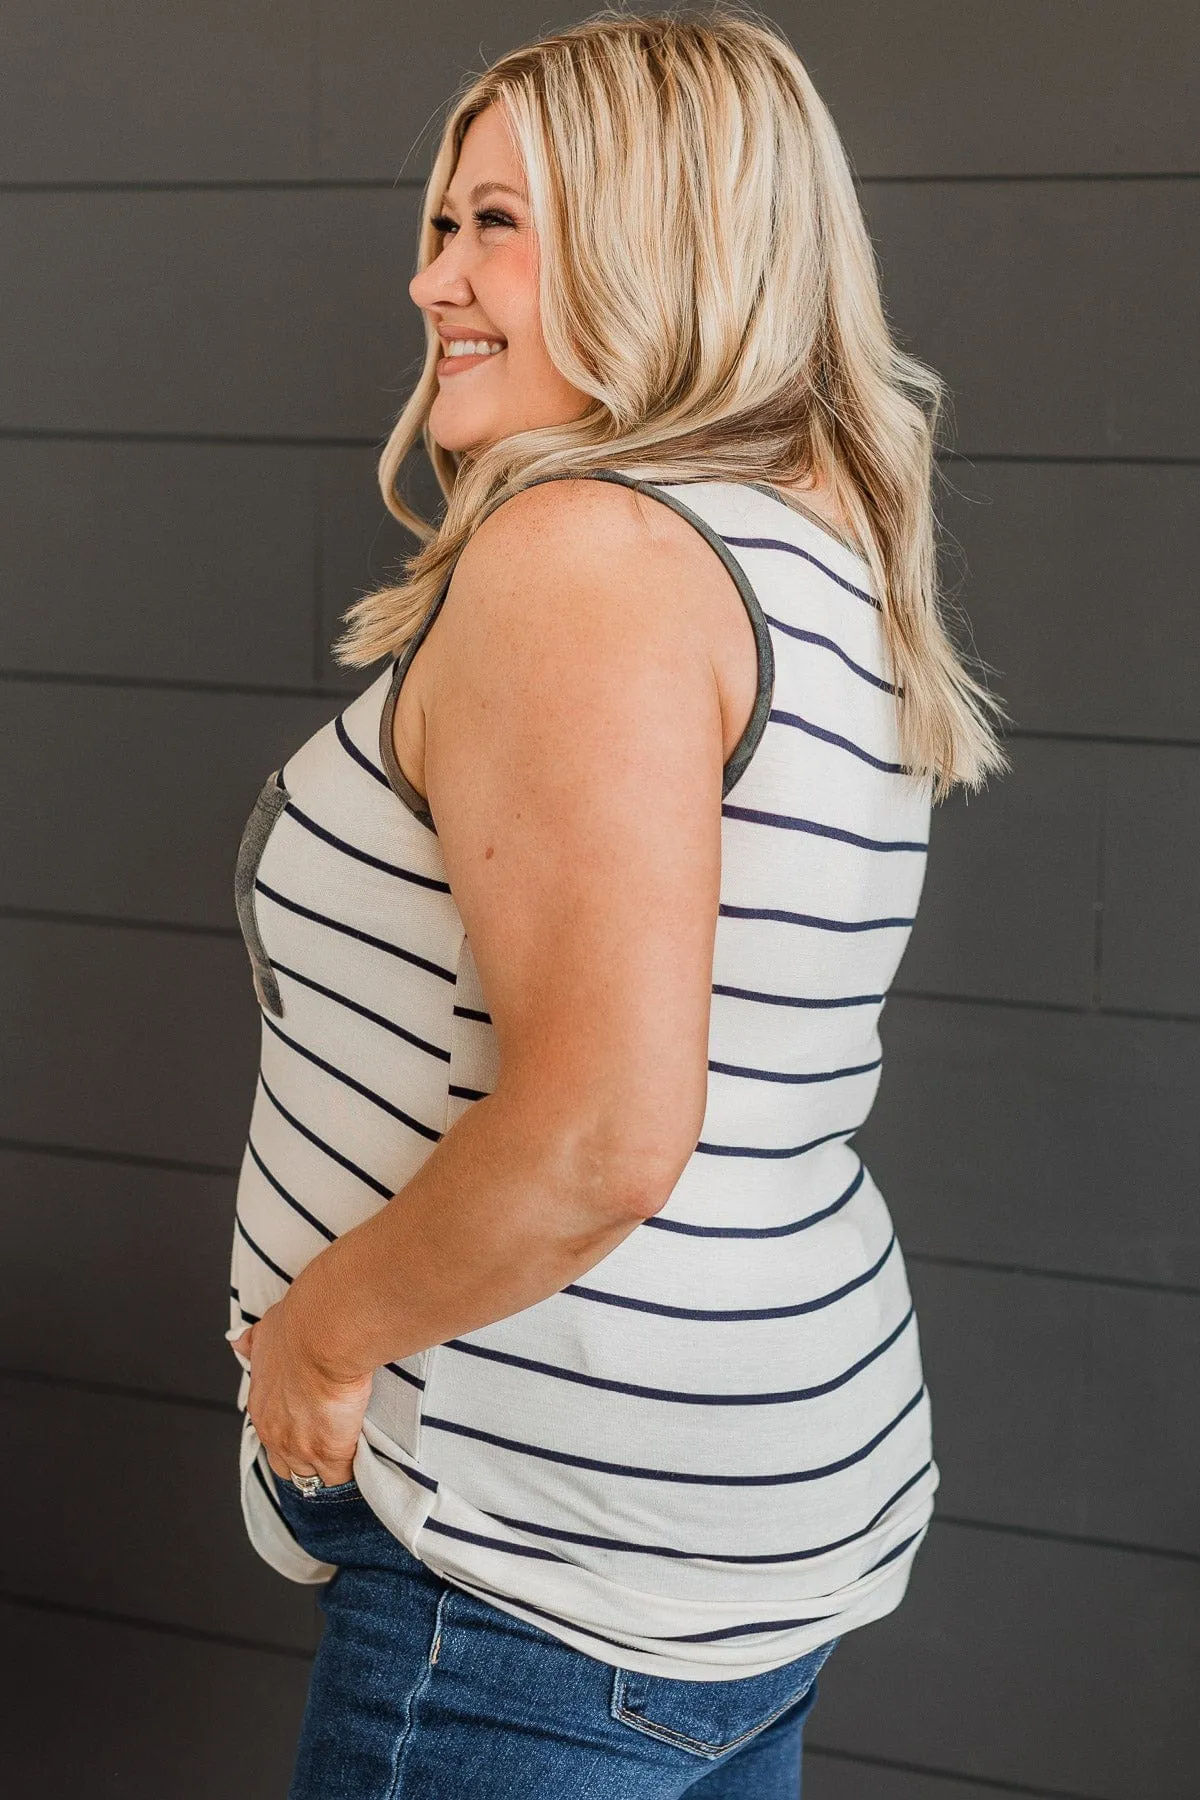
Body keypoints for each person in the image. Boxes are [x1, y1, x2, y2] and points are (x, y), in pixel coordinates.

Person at [226, 10, 1008, 1795]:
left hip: (535, 1551)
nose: (436, 280)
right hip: (757, 1512)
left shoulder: (584, 556)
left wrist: (318, 1345)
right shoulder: (813, 550)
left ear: (661, 237)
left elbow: (600, 1137)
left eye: (498, 222)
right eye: (443, 225)